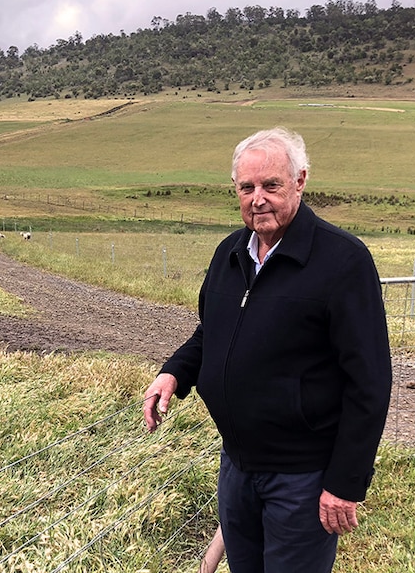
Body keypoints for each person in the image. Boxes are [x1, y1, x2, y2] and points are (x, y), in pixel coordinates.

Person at [143, 127, 392, 573]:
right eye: (247, 187)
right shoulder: (230, 253)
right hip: (236, 467)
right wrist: (174, 372)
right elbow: (211, 332)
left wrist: (345, 482)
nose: (258, 198)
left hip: (302, 477)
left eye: (271, 185)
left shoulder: (343, 261)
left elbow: (369, 382)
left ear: (300, 181)